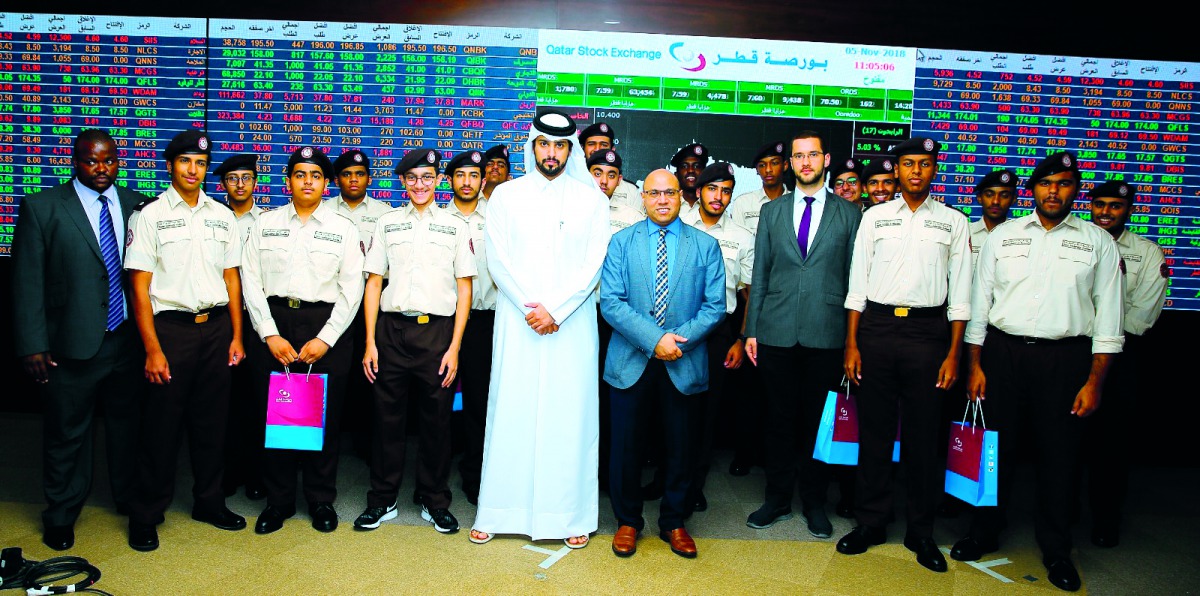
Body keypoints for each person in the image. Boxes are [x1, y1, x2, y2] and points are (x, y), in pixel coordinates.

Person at [951, 152, 1123, 593]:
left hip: (1065, 360)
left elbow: (1109, 321)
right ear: (1032, 190)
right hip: (1002, 355)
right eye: (1046, 183)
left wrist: (1093, 381)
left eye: (1064, 184)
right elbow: (979, 306)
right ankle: (984, 531)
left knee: (1060, 458)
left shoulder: (1097, 242)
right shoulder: (1004, 236)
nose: (1054, 191)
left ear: (1075, 190)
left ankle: (1057, 549)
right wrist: (975, 366)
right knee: (994, 453)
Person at [470, 110, 610, 548]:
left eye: (561, 146)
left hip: (571, 325)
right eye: (545, 145)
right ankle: (498, 509)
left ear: (570, 151)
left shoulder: (593, 200)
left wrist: (558, 310)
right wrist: (533, 308)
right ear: (533, 146)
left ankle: (570, 517)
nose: (552, 153)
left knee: (570, 417)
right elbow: (498, 261)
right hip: (518, 321)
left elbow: (594, 266)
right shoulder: (506, 196)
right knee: (512, 409)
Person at [837, 137, 971, 574]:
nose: (916, 171)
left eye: (924, 164)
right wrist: (852, 345)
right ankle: (871, 523)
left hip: (928, 333)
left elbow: (962, 296)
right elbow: (857, 285)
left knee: (922, 438)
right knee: (873, 434)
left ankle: (920, 531)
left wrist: (954, 355)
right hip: (875, 329)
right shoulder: (874, 217)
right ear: (897, 170)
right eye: (908, 164)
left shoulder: (953, 221)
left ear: (935, 170)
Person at [11, 129, 149, 551]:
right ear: (75, 161)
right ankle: (61, 513)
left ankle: (127, 498)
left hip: (126, 342)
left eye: (108, 161)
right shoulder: (43, 207)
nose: (101, 168)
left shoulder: (136, 204)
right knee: (67, 433)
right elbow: (26, 281)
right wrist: (32, 343)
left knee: (129, 430)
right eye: (91, 161)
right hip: (70, 345)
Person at [124, 130, 246, 552]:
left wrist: (236, 335)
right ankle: (146, 512)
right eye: (184, 162)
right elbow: (139, 287)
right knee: (160, 427)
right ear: (170, 164)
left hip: (215, 331)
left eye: (199, 163)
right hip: (171, 332)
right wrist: (153, 348)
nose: (193, 170)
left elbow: (232, 277)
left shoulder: (221, 215)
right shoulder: (149, 215)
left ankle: (209, 502)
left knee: (213, 424)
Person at [744, 131, 862, 540]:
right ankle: (776, 499)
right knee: (777, 421)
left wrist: (852, 340)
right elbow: (760, 274)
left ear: (826, 160)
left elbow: (855, 281)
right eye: (799, 156)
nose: (806, 162)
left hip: (825, 333)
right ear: (791, 163)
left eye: (813, 155)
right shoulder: (772, 212)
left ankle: (814, 503)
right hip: (775, 331)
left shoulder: (849, 215)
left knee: (818, 423)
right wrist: (751, 330)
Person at [240, 146, 365, 534]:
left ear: (326, 184)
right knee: (277, 417)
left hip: (326, 327)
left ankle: (320, 499)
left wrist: (326, 339)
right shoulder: (266, 224)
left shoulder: (344, 228)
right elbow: (250, 281)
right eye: (300, 174)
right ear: (288, 180)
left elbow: (352, 290)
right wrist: (269, 333)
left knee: (322, 420)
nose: (307, 181)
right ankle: (278, 502)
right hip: (275, 326)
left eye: (315, 175)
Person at [603, 168, 725, 559]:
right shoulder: (620, 242)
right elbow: (611, 302)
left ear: (680, 195)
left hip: (683, 360)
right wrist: (655, 340)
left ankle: (674, 521)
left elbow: (714, 307)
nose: (661, 200)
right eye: (653, 193)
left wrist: (676, 343)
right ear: (642, 197)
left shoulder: (705, 245)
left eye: (669, 193)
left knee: (681, 447)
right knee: (625, 447)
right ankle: (627, 521)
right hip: (631, 360)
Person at [355, 148, 475, 535]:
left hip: (437, 334)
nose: (420, 184)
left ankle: (434, 499)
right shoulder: (387, 223)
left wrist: (455, 347)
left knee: (437, 421)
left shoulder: (456, 226)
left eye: (427, 177)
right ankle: (382, 499)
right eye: (412, 178)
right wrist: (370, 341)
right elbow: (373, 281)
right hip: (391, 332)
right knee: (385, 419)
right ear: (403, 182)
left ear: (438, 180)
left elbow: (464, 287)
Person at [1084, 179, 1167, 548]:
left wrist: (1104, 337)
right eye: (1099, 204)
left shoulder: (1148, 253)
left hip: (1120, 355)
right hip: (1072, 352)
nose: (1105, 212)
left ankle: (1105, 519)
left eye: (1114, 206)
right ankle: (1063, 511)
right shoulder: (1077, 241)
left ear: (1128, 209)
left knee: (1111, 444)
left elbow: (1142, 313)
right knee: (1066, 439)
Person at [680, 161, 755, 515]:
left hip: (718, 333)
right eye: (713, 188)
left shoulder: (741, 237)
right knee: (671, 409)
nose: (719, 196)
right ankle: (667, 478)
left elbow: (749, 294)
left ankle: (695, 485)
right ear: (699, 191)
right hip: (676, 330)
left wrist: (741, 339)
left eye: (726, 190)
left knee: (706, 414)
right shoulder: (677, 224)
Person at [325, 149, 392, 461]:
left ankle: (366, 445)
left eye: (360, 173)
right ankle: (328, 445)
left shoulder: (385, 215)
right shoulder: (322, 211)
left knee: (370, 378)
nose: (354, 179)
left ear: (368, 177)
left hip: (371, 307)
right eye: (347, 174)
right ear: (337, 179)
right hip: (331, 308)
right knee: (331, 379)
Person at [444, 150, 498, 506]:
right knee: (437, 402)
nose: (467, 182)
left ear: (482, 181)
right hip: (441, 322)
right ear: (449, 180)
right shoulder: (432, 216)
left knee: (479, 403)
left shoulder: (497, 217)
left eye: (473, 176)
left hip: (483, 321)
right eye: (460, 175)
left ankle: (475, 476)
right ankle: (431, 478)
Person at [212, 153, 268, 502]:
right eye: (233, 179)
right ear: (223, 185)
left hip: (257, 320)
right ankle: (228, 471)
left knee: (258, 400)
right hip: (222, 322)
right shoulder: (213, 219)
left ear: (256, 183)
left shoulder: (267, 221)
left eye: (246, 178)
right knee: (223, 402)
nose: (240, 185)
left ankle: (257, 474)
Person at [579, 121, 644, 214]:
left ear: (612, 150)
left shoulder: (631, 192)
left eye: (604, 144)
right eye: (591, 144)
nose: (597, 149)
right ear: (583, 148)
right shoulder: (571, 185)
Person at [728, 141, 789, 234]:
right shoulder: (743, 203)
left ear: (785, 165)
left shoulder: (797, 202)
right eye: (762, 165)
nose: (768, 170)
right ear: (757, 170)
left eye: (774, 163)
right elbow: (737, 242)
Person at [969, 169, 1018, 267]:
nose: (996, 201)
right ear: (979, 197)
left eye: (1004, 196)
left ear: (1013, 199)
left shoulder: (1020, 236)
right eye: (989, 195)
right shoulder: (965, 233)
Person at [588, 149, 644, 233]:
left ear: (618, 180)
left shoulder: (633, 218)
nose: (604, 181)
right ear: (586, 175)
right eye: (598, 174)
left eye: (611, 176)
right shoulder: (571, 210)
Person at [671, 143, 709, 217]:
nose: (691, 170)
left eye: (697, 166)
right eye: (684, 166)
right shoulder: (668, 204)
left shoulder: (711, 205)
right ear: (676, 175)